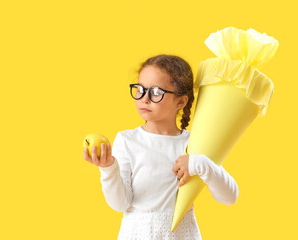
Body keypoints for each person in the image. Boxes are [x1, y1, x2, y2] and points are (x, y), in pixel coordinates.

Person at [83, 54, 239, 239]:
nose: (144, 98)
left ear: (180, 102)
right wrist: (108, 169)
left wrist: (201, 163)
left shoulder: (194, 144)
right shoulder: (127, 140)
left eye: (156, 92)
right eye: (140, 89)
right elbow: (120, 204)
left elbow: (230, 197)